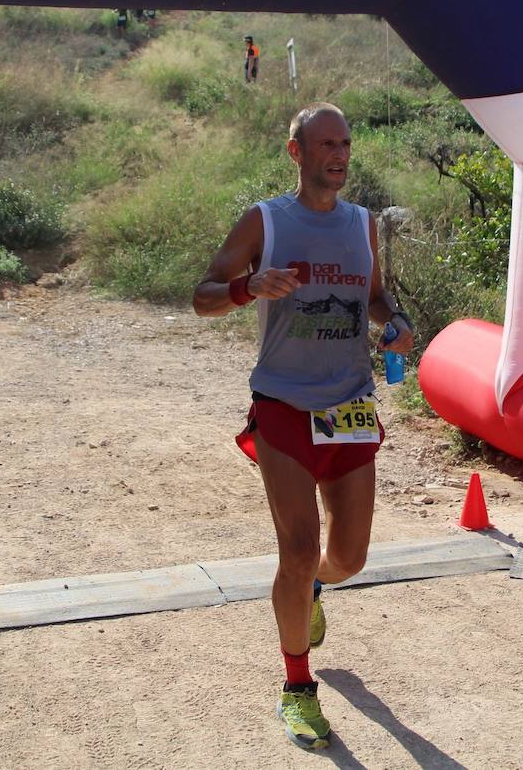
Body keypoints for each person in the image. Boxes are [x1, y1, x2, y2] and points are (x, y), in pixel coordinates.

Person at [192, 103, 413, 751]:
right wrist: (247, 288)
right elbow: (203, 292)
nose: (339, 155)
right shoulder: (267, 220)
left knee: (348, 557)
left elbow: (373, 296)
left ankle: (313, 586)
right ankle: (297, 686)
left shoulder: (363, 225)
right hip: (284, 404)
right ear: (297, 153)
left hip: (347, 403)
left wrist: (391, 321)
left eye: (345, 143)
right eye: (325, 144)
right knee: (295, 546)